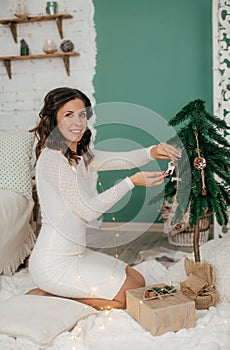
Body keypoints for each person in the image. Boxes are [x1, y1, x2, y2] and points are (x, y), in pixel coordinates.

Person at [27, 87, 181, 310]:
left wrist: (152, 151)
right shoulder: (53, 159)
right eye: (68, 115)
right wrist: (131, 182)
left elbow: (119, 160)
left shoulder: (78, 155)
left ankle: (60, 292)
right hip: (53, 264)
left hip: (78, 254)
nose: (78, 122)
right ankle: (48, 295)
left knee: (138, 281)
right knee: (126, 299)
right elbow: (88, 211)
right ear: (53, 119)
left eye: (82, 114)